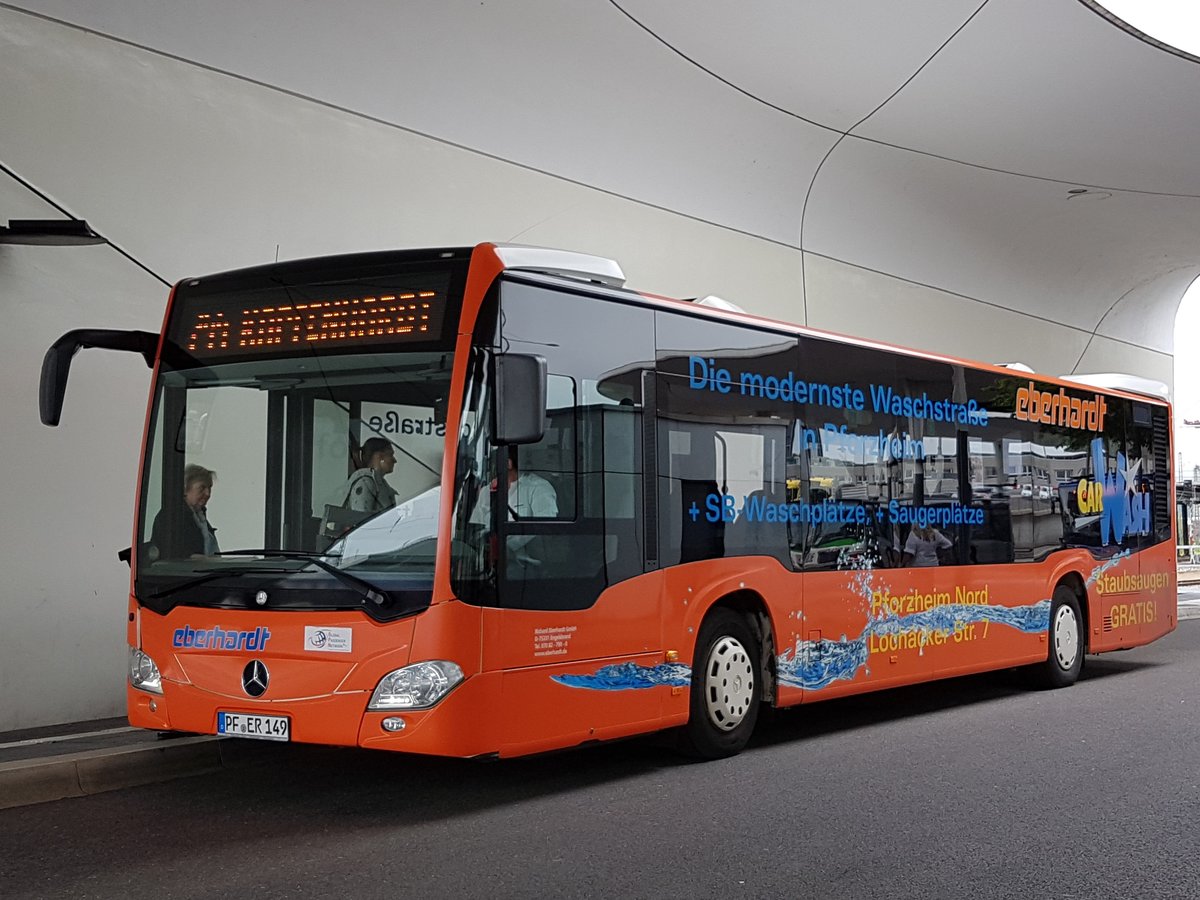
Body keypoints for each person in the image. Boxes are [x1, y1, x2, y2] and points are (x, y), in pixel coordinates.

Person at [150, 464, 220, 559]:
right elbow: (171, 553)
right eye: (202, 488)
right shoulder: (172, 517)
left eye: (210, 488)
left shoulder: (200, 517)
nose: (208, 493)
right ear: (185, 489)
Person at [344, 437, 399, 514]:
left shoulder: (379, 484)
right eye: (390, 455)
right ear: (380, 457)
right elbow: (360, 518)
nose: (394, 460)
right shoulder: (365, 482)